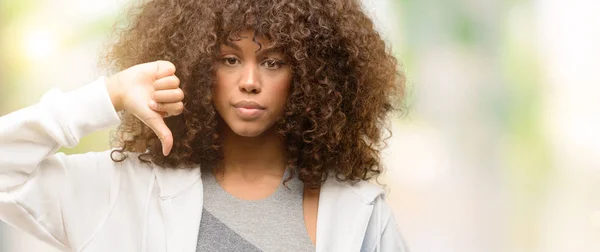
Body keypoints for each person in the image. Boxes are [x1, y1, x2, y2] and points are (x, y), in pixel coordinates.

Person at [0, 0, 406, 251]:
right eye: (229, 59)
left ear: (311, 76)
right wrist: (109, 95)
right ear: (195, 67)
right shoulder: (122, 190)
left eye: (273, 62)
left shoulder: (359, 211)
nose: (250, 81)